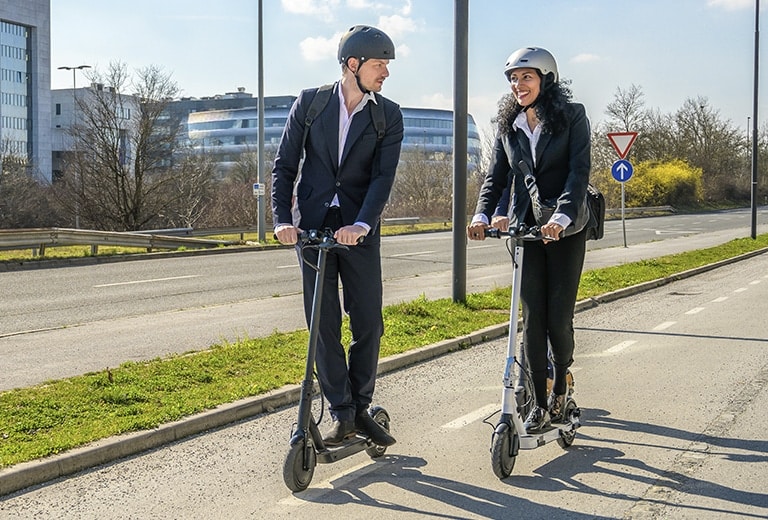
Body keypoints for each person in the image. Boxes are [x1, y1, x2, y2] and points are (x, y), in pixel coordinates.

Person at [271, 25, 403, 447]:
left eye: (386, 65)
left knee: (369, 322)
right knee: (322, 325)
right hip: (310, 230)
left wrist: (362, 225)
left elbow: (382, 179)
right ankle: (343, 413)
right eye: (379, 64)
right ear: (353, 64)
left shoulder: (388, 115)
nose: (385, 73)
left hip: (359, 231)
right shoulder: (309, 104)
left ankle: (361, 406)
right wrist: (281, 220)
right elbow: (285, 165)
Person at [467, 47, 591, 433]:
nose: (518, 85)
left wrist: (561, 217)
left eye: (526, 77)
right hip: (527, 230)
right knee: (532, 318)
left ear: (546, 80)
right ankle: (538, 401)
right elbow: (497, 178)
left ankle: (562, 381)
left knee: (557, 317)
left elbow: (578, 172)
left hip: (565, 229)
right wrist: (482, 214)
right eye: (513, 79)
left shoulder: (572, 116)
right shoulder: (510, 125)